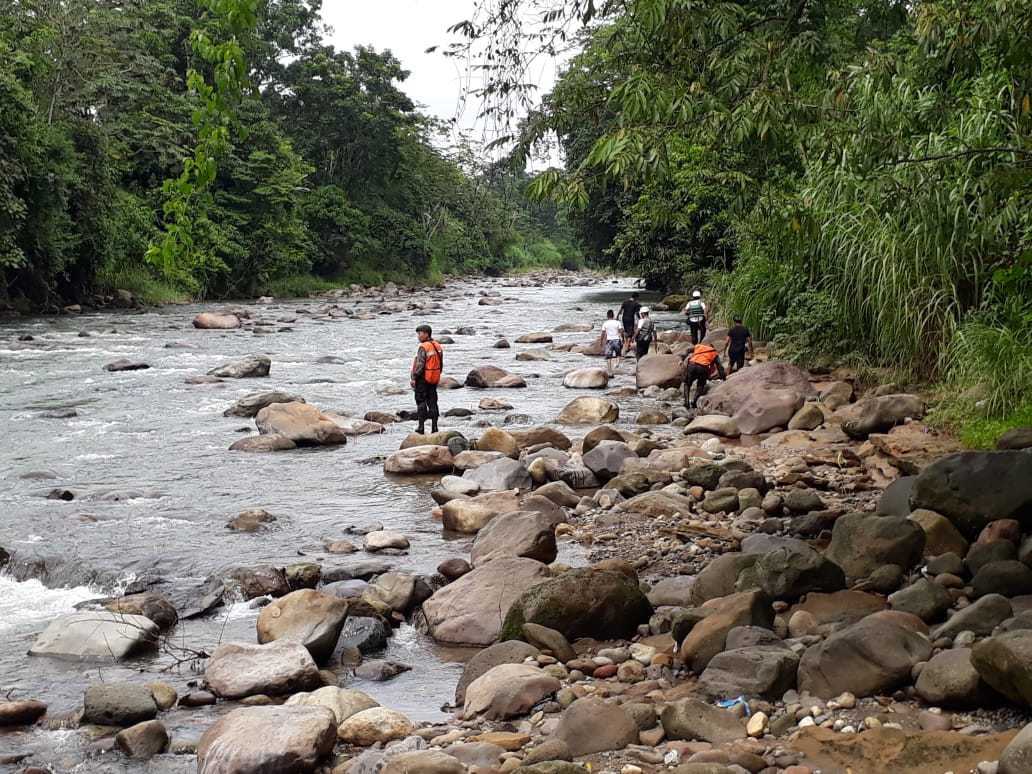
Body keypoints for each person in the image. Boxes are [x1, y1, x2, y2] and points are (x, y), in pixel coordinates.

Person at [410, 324, 443, 434]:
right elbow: (441, 363)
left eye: (420, 334)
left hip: (423, 378)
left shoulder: (423, 347)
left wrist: (414, 377)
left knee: (421, 402)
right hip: (434, 378)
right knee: (433, 403)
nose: (418, 336)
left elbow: (420, 365)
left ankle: (421, 427)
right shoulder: (437, 346)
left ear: (426, 334)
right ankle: (434, 427)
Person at [681, 342, 725, 409]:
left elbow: (686, 350)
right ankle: (694, 401)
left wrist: (682, 359)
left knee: (687, 383)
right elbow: (719, 366)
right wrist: (723, 377)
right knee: (701, 384)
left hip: (692, 365)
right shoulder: (714, 352)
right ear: (713, 347)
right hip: (703, 367)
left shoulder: (699, 347)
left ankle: (686, 403)